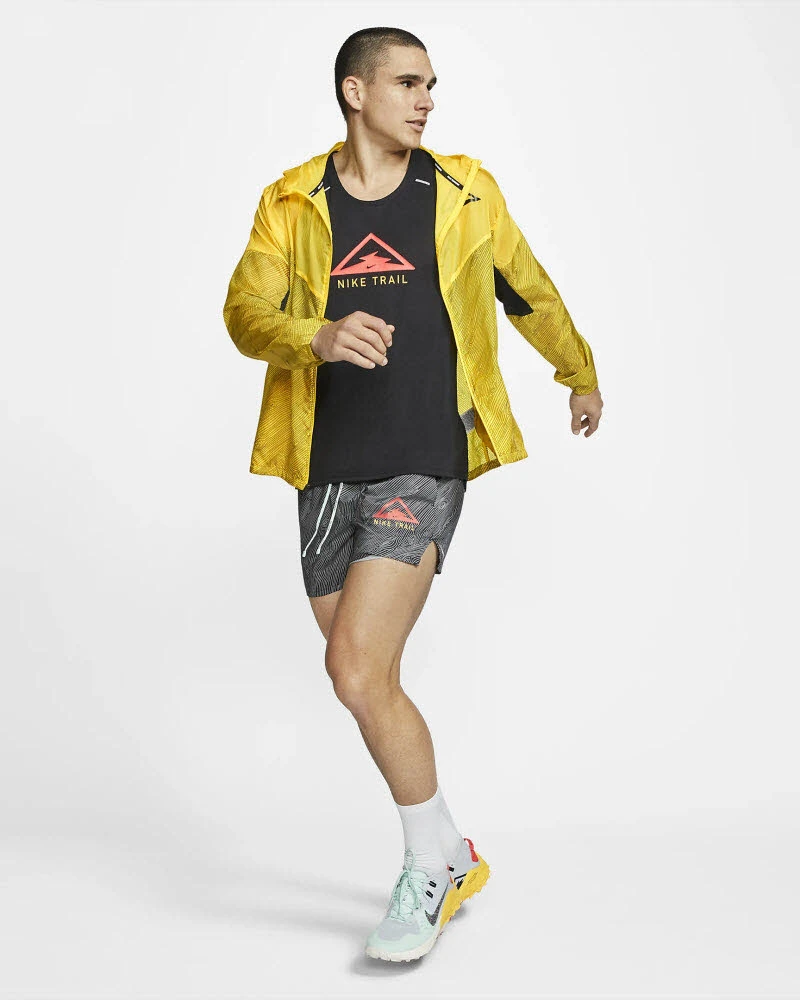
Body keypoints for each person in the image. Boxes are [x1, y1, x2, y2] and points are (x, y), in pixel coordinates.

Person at [222, 26, 603, 963]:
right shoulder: (292, 201)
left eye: (431, 84)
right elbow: (244, 312)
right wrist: (314, 335)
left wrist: (579, 372)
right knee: (364, 678)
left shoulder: (463, 191)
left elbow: (527, 290)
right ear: (355, 92)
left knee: (355, 670)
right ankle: (452, 850)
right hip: (323, 464)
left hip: (426, 457)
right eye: (406, 82)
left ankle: (424, 872)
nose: (426, 99)